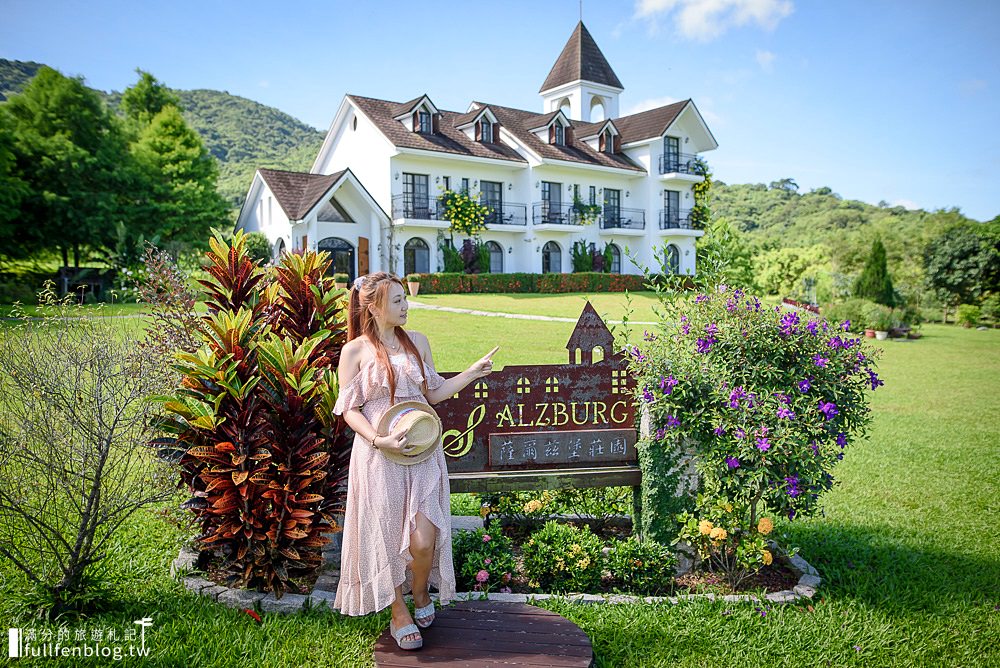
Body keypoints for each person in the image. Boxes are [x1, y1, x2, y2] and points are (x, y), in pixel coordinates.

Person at [331, 272, 498, 650]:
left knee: (424, 539)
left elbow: (434, 393)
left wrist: (472, 373)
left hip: (423, 451)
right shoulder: (354, 351)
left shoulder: (417, 342)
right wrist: (378, 438)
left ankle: (420, 592)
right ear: (373, 306)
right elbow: (350, 410)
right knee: (385, 537)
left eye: (406, 299)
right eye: (398, 301)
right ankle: (397, 610)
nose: (406, 306)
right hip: (379, 454)